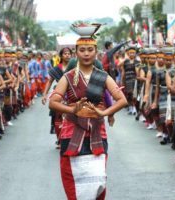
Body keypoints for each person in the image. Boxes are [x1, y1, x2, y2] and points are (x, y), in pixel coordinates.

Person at [49, 24, 127, 200]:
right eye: (82, 50)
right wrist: (72, 109)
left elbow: (122, 100)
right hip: (71, 134)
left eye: (90, 49)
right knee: (72, 179)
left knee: (97, 179)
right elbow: (53, 102)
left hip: (97, 134)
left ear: (96, 52)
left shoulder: (103, 76)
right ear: (76, 53)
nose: (86, 53)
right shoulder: (67, 77)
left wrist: (103, 113)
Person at [42, 47, 72, 146]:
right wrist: (44, 95)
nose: (67, 55)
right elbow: (49, 81)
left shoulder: (75, 68)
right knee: (57, 117)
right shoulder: (56, 69)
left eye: (69, 54)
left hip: (72, 94)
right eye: (65, 54)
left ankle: (71, 138)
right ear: (61, 56)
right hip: (59, 94)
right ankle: (60, 140)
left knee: (72, 116)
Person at [119, 46, 139, 115]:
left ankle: (134, 108)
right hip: (127, 80)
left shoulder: (137, 62)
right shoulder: (126, 61)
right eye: (130, 53)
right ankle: (130, 107)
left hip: (134, 80)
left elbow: (138, 72)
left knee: (134, 94)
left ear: (135, 54)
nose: (132, 54)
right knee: (128, 94)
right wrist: (122, 80)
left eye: (133, 53)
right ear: (128, 53)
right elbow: (120, 67)